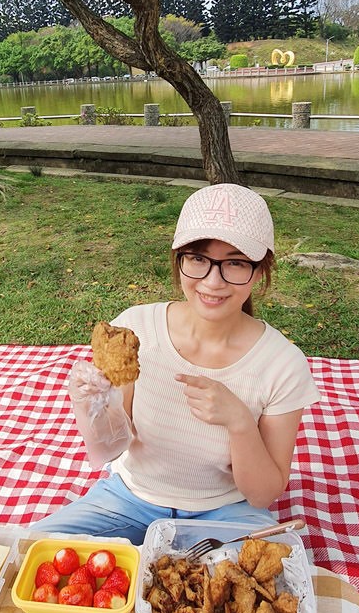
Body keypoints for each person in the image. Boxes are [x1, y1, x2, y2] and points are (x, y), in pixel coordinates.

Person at [37, 182, 320, 545]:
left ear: (260, 271)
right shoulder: (136, 330)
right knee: (32, 550)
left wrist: (239, 422)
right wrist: (91, 403)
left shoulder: (282, 364)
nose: (213, 282)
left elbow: (263, 495)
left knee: (276, 569)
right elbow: (113, 446)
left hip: (224, 512)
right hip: (129, 500)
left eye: (235, 263)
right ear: (179, 260)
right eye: (199, 259)